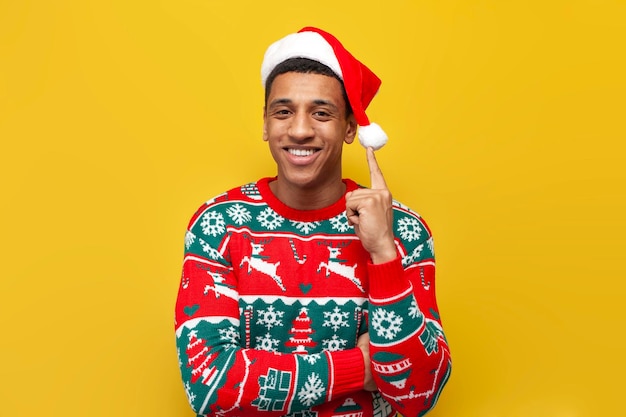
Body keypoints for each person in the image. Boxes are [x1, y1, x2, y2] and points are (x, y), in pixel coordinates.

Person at [175, 27, 451, 417]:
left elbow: (418, 394)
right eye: (283, 111)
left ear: (350, 128)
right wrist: (362, 367)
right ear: (266, 124)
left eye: (321, 113)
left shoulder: (402, 230)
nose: (301, 130)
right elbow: (212, 387)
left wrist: (383, 252)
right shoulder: (219, 224)